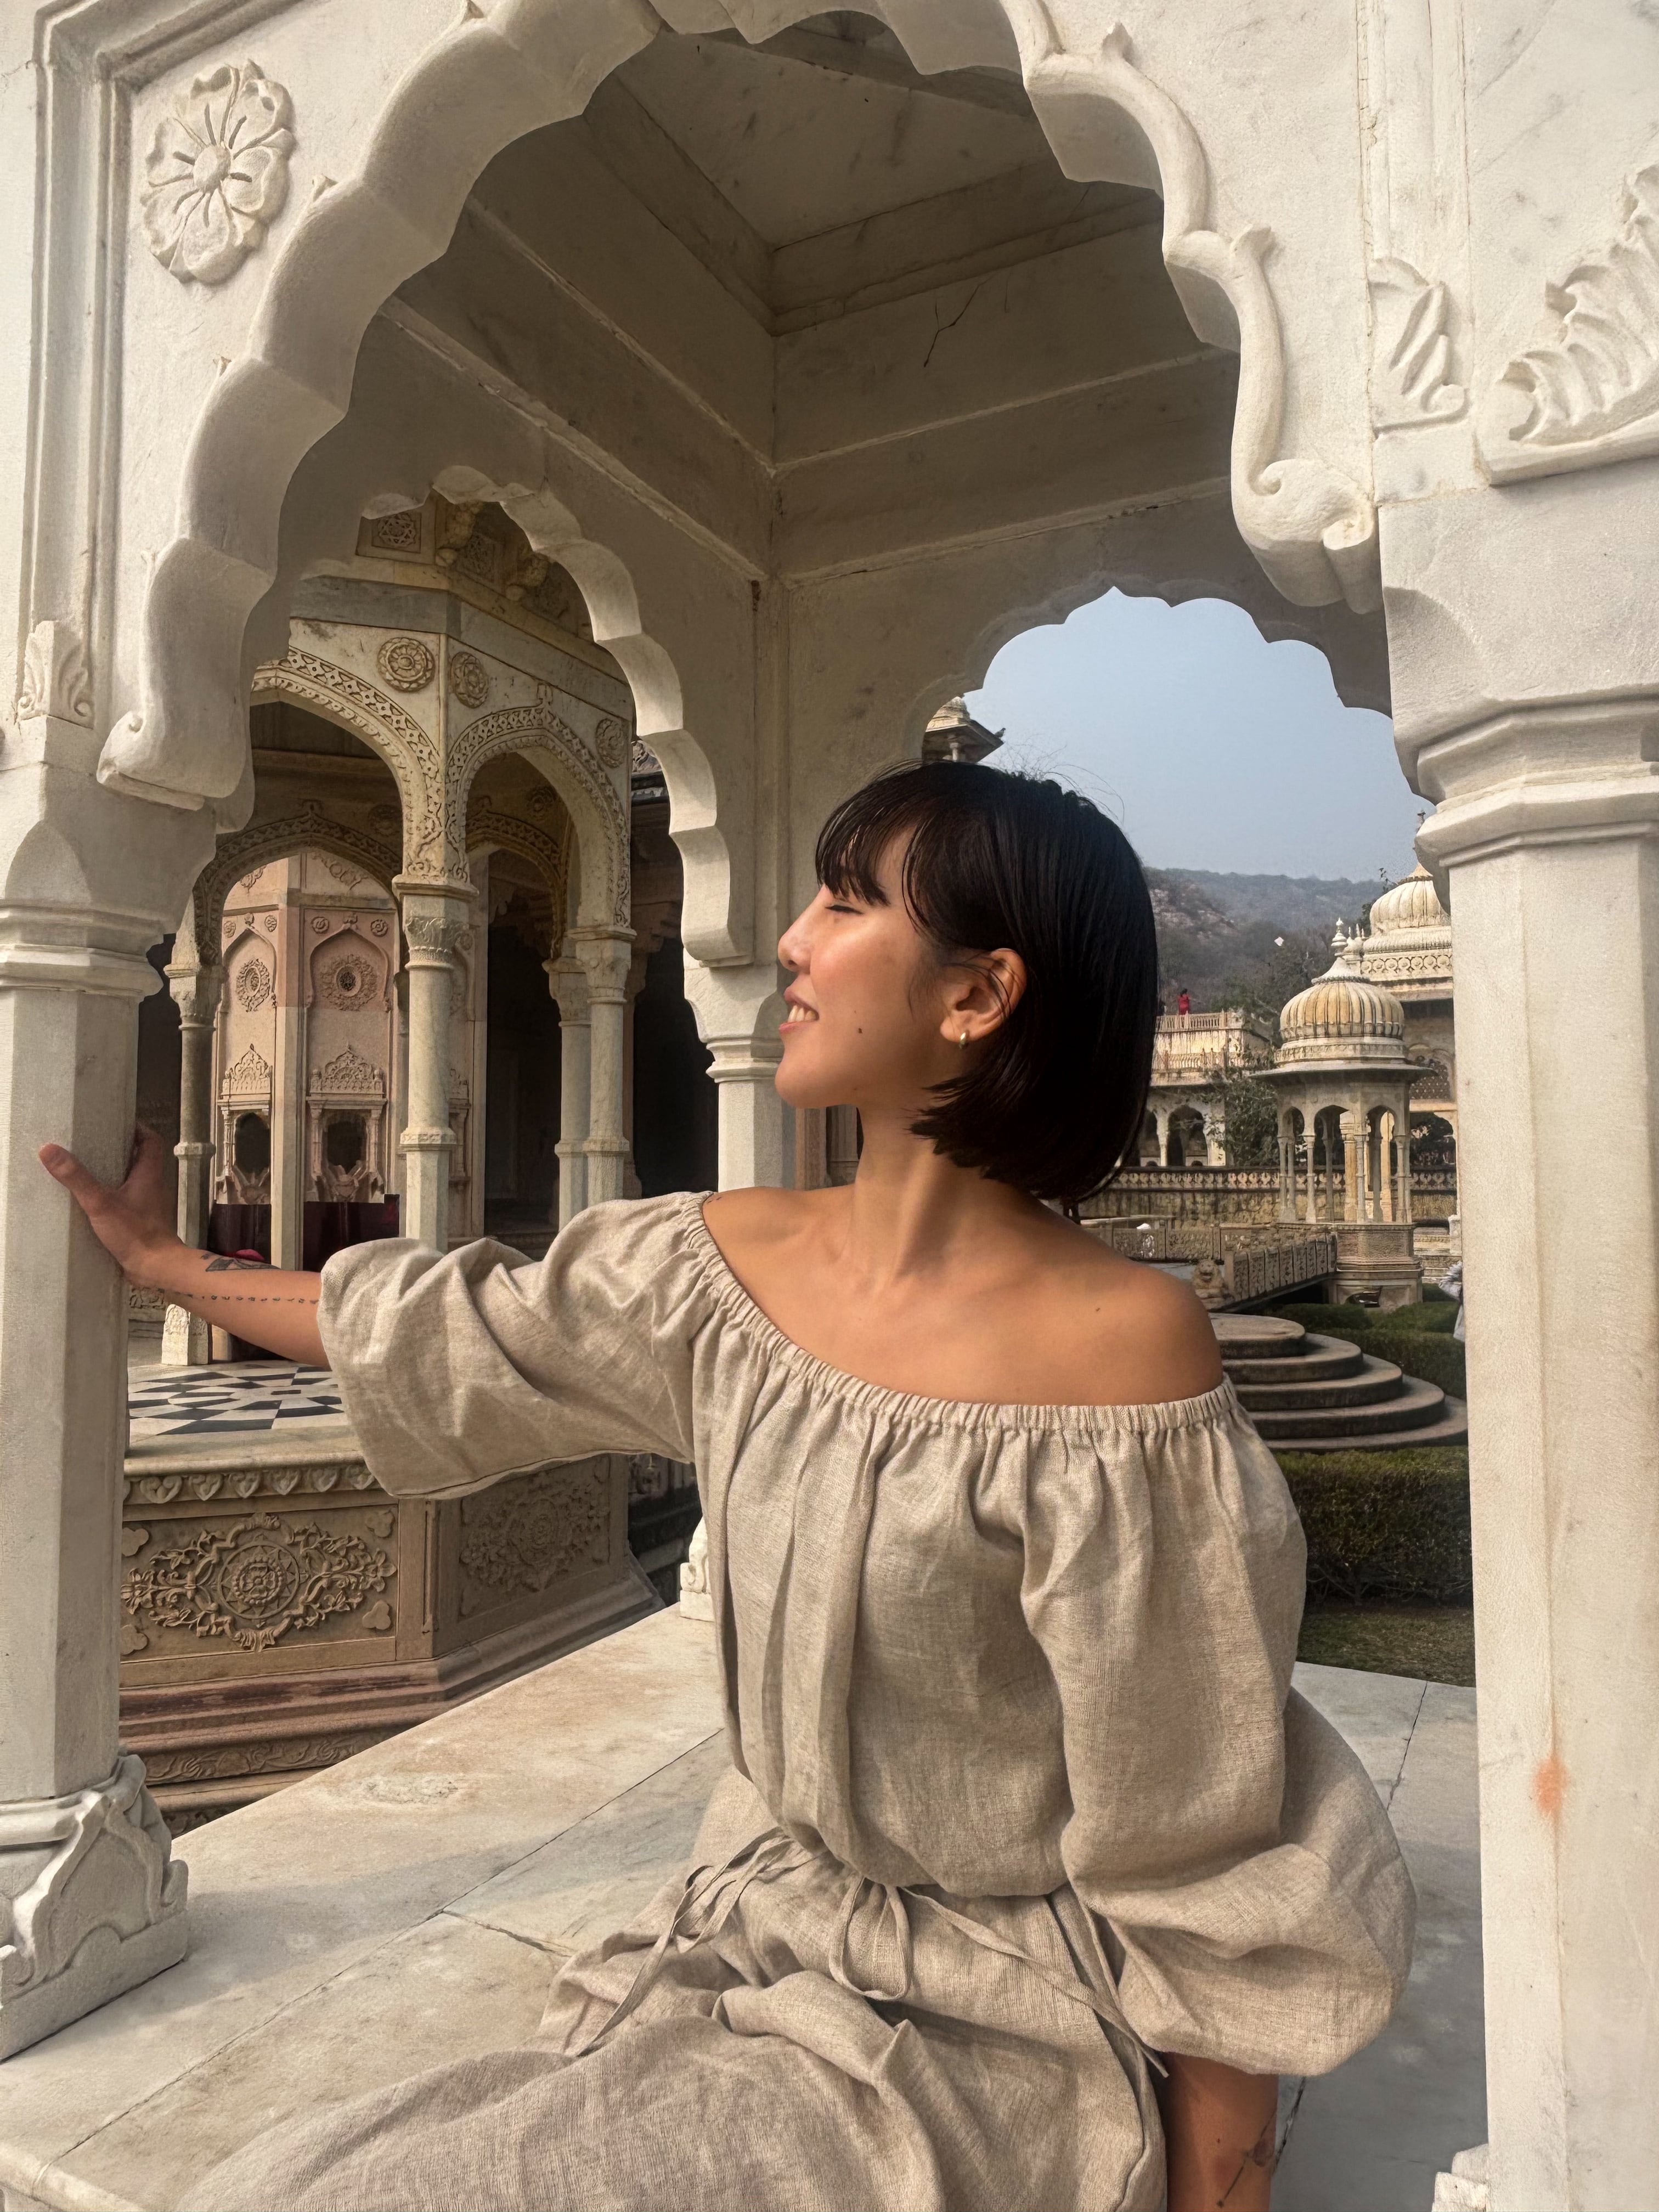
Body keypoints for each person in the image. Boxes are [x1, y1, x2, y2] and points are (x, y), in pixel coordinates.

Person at [43, 763, 1413, 2212]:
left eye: (847, 904)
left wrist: (1223, 2190)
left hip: (995, 2034)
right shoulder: (722, 1272)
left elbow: (1192, 1837)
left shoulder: (1117, 1357)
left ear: (978, 994)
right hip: (752, 1939)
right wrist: (170, 1265)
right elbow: (444, 1326)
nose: (792, 943)